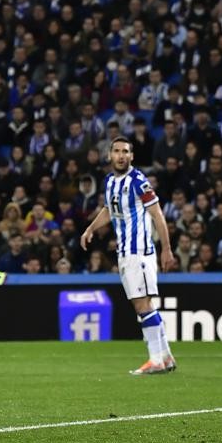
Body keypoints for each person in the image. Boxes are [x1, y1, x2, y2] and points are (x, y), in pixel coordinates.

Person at [80, 137, 175, 375]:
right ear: (110, 155)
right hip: (125, 253)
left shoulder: (138, 181)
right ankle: (165, 358)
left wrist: (167, 248)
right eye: (116, 151)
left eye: (125, 152)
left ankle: (155, 359)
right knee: (145, 304)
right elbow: (110, 210)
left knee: (142, 305)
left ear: (132, 156)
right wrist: (91, 228)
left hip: (139, 252)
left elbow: (158, 215)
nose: (121, 155)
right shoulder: (110, 181)